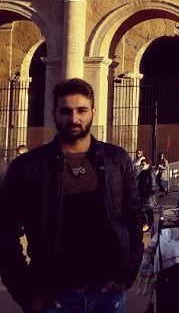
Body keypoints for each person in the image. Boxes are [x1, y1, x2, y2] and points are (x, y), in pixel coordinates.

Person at [0, 78, 143, 313]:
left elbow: (134, 218)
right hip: (52, 295)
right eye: (66, 111)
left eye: (82, 110)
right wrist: (26, 293)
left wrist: (126, 273)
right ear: (54, 113)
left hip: (108, 293)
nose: (74, 119)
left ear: (93, 112)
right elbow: (5, 234)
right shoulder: (27, 167)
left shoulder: (116, 160)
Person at [137, 158, 156, 232]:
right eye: (141, 164)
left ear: (148, 165)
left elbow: (153, 184)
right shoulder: (142, 172)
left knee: (147, 211)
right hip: (142, 194)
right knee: (144, 211)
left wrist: (150, 193)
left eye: (143, 164)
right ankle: (148, 225)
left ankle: (149, 226)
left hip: (148, 196)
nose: (142, 166)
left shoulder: (150, 172)